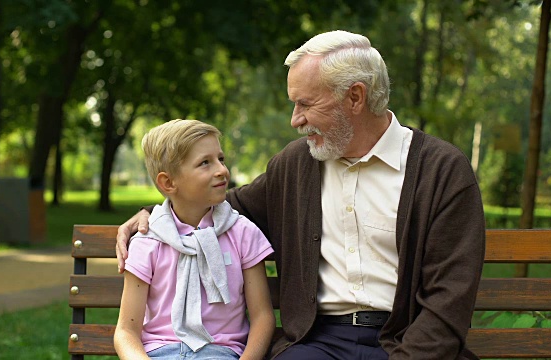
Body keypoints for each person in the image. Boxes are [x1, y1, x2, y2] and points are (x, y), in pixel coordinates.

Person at [116, 30, 486, 360]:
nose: (295, 119)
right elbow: (222, 206)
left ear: (355, 98)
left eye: (306, 104)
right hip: (316, 342)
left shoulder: (442, 171)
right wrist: (152, 213)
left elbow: (446, 301)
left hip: (405, 340)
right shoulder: (296, 164)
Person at [113, 119, 275, 360]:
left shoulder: (242, 233)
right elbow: (126, 331)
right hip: (157, 353)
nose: (221, 170)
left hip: (219, 352)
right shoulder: (148, 242)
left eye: (221, 159)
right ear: (168, 183)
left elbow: (263, 317)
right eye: (205, 163)